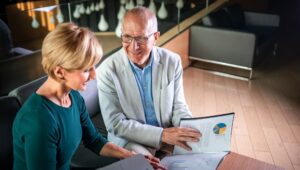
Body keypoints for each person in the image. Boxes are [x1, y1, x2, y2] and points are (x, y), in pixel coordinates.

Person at [12, 22, 164, 170]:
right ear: (59, 72)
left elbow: (94, 140)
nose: (94, 75)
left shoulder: (74, 98)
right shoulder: (39, 121)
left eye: (93, 66)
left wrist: (132, 156)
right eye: (86, 70)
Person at [96, 7, 201, 156]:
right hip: (129, 139)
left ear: (156, 37)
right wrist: (162, 135)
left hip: (167, 133)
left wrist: (191, 129)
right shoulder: (107, 70)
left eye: (141, 38)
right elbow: (116, 123)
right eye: (127, 37)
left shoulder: (172, 61)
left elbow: (179, 106)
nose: (134, 46)